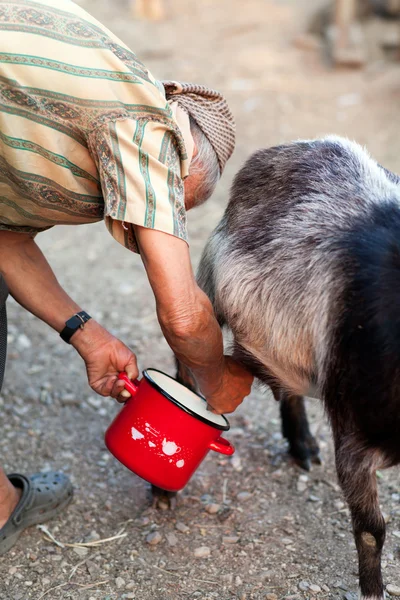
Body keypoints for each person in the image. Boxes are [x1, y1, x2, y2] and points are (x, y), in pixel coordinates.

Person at [0, 0, 253, 554]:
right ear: (183, 159)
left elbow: (5, 239)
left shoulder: (80, 116)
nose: (156, 223)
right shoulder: (149, 129)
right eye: (172, 206)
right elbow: (185, 318)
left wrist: (89, 336)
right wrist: (217, 381)